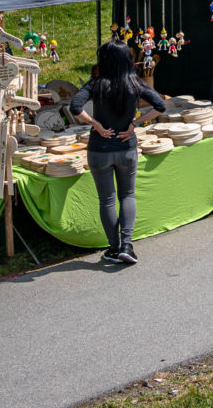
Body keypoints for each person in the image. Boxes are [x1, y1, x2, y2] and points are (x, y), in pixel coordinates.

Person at [68, 41, 165, 263]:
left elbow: (75, 107)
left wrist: (95, 124)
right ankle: (127, 245)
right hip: (126, 147)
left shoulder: (96, 84)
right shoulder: (135, 83)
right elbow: (160, 106)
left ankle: (114, 248)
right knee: (127, 195)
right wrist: (135, 124)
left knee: (107, 200)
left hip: (99, 149)